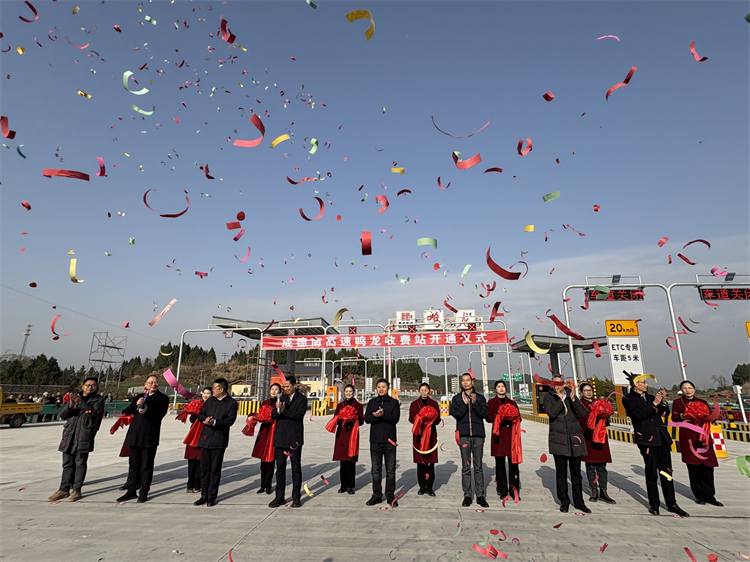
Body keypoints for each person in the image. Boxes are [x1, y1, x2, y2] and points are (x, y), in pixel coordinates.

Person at [622, 373, 689, 517]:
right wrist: (655, 404)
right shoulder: (628, 399)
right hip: (647, 440)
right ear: (635, 384)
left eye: (646, 382)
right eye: (643, 382)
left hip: (662, 439)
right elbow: (639, 414)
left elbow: (664, 413)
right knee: (651, 473)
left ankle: (671, 503)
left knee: (667, 472)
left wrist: (663, 402)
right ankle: (654, 504)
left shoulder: (652, 397)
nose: (646, 385)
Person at [47, 378, 105, 502]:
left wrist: (81, 403)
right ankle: (63, 489)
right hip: (69, 434)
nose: (90, 387)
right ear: (83, 386)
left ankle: (76, 490)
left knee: (80, 463)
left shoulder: (98, 399)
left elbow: (93, 412)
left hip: (84, 434)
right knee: (67, 464)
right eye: (87, 385)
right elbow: (62, 415)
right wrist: (71, 405)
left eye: (93, 385)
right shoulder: (75, 397)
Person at [116, 375, 169, 504]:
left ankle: (144, 491)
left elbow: (160, 414)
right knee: (133, 465)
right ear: (146, 384)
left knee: (146, 466)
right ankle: (131, 490)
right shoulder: (139, 397)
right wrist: (136, 405)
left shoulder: (162, 398)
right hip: (135, 435)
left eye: (156, 382)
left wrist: (147, 410)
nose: (153, 384)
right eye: (151, 382)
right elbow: (127, 411)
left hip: (149, 436)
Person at [543, 375, 590, 513]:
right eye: (554, 383)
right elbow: (551, 413)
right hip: (559, 440)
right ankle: (564, 501)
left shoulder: (571, 396)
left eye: (559, 383)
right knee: (561, 473)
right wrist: (561, 399)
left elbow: (582, 414)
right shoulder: (549, 397)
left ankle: (579, 502)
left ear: (564, 384)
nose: (557, 385)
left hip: (574, 439)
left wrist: (573, 399)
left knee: (576, 475)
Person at [671, 380, 722, 507]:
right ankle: (699, 496)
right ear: (681, 390)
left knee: (708, 467)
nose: (687, 390)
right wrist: (684, 416)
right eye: (684, 388)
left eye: (690, 388)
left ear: (694, 389)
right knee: (693, 468)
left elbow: (710, 416)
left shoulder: (702, 402)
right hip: (689, 436)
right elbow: (675, 418)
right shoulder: (678, 403)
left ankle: (710, 496)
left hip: (703, 435)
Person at [194, 378, 238, 507]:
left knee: (215, 470)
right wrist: (204, 419)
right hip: (205, 438)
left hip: (219, 440)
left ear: (221, 389)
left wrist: (215, 422)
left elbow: (230, 421)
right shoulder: (210, 401)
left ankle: (212, 496)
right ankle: (204, 495)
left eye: (214, 388)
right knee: (204, 469)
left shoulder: (231, 403)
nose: (212, 390)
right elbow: (201, 414)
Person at [451, 373, 489, 508]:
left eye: (468, 380)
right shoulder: (456, 399)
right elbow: (455, 414)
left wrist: (474, 404)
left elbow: (485, 414)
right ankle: (467, 495)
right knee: (466, 467)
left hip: (478, 436)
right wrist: (465, 404)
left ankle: (480, 495)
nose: (466, 382)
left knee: (478, 467)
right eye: (463, 380)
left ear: (472, 381)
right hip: (464, 436)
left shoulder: (479, 398)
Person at [269, 376, 306, 508]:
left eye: (287, 387)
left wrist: (285, 411)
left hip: (294, 438)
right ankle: (279, 497)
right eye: (284, 387)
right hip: (281, 437)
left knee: (295, 468)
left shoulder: (301, 399)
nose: (285, 389)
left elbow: (299, 415)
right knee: (280, 469)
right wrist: (278, 409)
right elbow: (273, 415)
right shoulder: (281, 398)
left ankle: (296, 497)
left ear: (294, 386)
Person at [364, 378, 401, 507]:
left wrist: (382, 415)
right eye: (379, 387)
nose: (381, 389)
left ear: (388, 388)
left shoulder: (394, 403)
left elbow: (395, 418)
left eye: (383, 387)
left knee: (390, 470)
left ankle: (390, 495)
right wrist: (375, 416)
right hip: (375, 441)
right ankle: (377, 495)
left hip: (390, 441)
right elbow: (367, 418)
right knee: (376, 470)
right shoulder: (372, 402)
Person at [578, 382, 615, 504]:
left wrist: (604, 414)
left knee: (602, 467)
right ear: (581, 392)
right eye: (586, 390)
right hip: (588, 436)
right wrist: (592, 415)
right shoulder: (580, 404)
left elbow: (607, 421)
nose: (588, 392)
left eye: (590, 390)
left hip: (600, 436)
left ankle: (604, 491)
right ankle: (594, 491)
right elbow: (580, 420)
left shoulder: (599, 403)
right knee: (590, 466)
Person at [486, 380, 522, 500]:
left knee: (513, 464)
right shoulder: (491, 403)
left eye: (503, 386)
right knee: (500, 464)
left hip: (511, 436)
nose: (501, 389)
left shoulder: (512, 402)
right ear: (495, 389)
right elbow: (488, 418)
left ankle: (514, 490)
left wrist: (511, 416)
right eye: (498, 386)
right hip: (499, 436)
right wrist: (499, 416)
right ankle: (502, 490)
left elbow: (519, 417)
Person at [330, 384, 364, 494]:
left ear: (354, 392)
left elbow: (362, 421)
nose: (348, 393)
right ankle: (343, 485)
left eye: (350, 391)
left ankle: (350, 486)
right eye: (347, 391)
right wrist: (342, 417)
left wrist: (354, 417)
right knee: (343, 462)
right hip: (342, 435)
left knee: (351, 461)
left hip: (352, 434)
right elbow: (335, 418)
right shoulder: (340, 405)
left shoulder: (358, 405)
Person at [409, 382, 440, 496]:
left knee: (430, 462)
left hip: (431, 434)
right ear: (419, 391)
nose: (424, 392)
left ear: (429, 391)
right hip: (419, 435)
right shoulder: (414, 404)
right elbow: (411, 418)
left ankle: (430, 487)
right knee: (420, 462)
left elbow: (438, 419)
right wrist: (420, 419)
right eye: (421, 390)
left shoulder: (434, 404)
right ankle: (422, 486)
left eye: (426, 390)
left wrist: (431, 420)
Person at [251, 383, 281, 494]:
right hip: (264, 432)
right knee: (263, 460)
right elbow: (260, 415)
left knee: (271, 460)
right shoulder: (265, 403)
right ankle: (262, 485)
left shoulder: (280, 403)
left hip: (274, 432)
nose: (274, 391)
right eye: (272, 389)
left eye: (276, 389)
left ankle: (268, 485)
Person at [181, 387, 212, 493]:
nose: (205, 395)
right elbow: (192, 420)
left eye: (208, 393)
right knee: (192, 461)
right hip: (193, 435)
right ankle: (190, 484)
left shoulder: (213, 406)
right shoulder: (198, 403)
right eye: (204, 393)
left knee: (200, 461)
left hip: (204, 435)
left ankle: (198, 484)